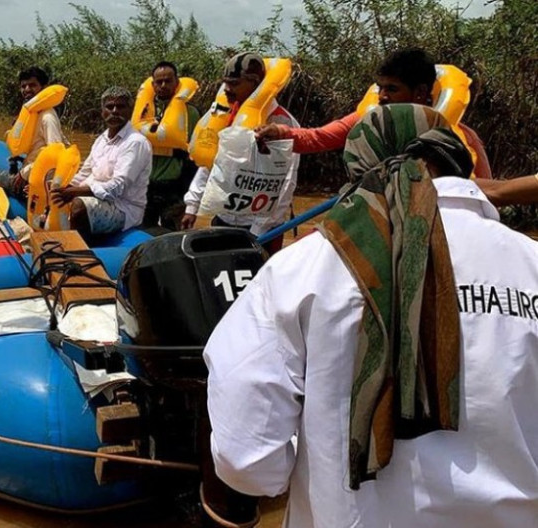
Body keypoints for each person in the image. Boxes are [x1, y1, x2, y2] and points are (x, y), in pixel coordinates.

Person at [204, 104, 537, 528]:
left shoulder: (305, 267)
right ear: (459, 160)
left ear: (360, 166)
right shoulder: (532, 263)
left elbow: (247, 459)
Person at [256, 48, 493, 179]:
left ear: (420, 92)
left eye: (392, 89)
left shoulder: (462, 139)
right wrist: (279, 132)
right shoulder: (370, 120)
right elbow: (319, 137)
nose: (382, 96)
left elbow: (485, 188)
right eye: (380, 88)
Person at [181, 52, 300, 254]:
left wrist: (258, 231)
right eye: (225, 83)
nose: (227, 89)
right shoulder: (224, 117)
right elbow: (210, 163)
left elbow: (286, 183)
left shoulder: (283, 124)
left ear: (256, 84)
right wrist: (192, 205)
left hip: (262, 230)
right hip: (224, 220)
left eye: (234, 84)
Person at [50, 86, 152, 239]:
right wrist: (63, 188)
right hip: (98, 196)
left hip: (123, 207)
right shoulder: (101, 140)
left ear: (130, 110)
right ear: (102, 111)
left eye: (120, 107)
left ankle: (79, 253)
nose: (115, 111)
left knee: (78, 206)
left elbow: (118, 187)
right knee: (53, 185)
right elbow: (85, 172)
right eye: (110, 107)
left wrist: (74, 193)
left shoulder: (135, 142)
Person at [0, 66, 67, 196]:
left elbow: (55, 154)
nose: (27, 90)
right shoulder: (32, 114)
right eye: (23, 86)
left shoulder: (47, 117)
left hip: (35, 181)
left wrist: (24, 173)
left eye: (32, 85)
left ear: (43, 88)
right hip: (30, 173)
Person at [141, 61, 201, 230]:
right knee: (144, 232)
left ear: (177, 82)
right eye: (159, 82)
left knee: (174, 232)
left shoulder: (191, 113)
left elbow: (197, 153)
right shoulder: (144, 113)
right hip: (147, 185)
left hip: (176, 186)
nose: (163, 86)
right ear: (152, 85)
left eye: (168, 81)